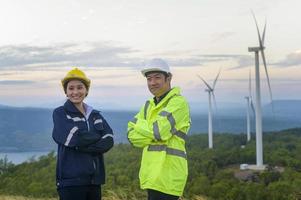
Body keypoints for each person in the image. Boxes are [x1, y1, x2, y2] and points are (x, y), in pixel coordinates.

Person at [127, 58, 191, 200]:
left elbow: (159, 131)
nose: (152, 82)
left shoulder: (179, 103)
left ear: (169, 78)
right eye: (149, 79)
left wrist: (140, 126)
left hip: (169, 176)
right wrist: (153, 132)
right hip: (151, 176)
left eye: (157, 78)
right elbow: (131, 135)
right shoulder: (148, 105)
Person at [52, 67, 114, 200]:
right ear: (66, 92)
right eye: (71, 88)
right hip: (70, 183)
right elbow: (75, 139)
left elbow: (109, 140)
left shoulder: (95, 115)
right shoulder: (60, 113)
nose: (75, 92)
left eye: (80, 87)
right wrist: (97, 138)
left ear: (86, 90)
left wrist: (79, 146)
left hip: (94, 181)